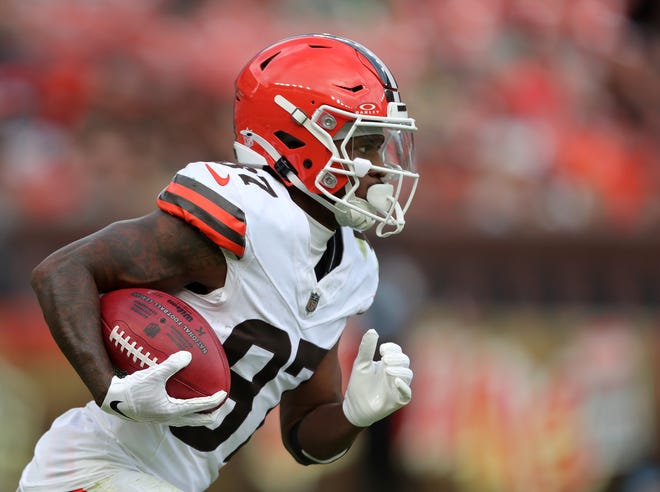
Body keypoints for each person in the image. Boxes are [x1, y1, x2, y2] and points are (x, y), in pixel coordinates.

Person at [18, 33, 419, 492]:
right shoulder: (248, 211)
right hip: (91, 468)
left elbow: (304, 438)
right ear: (299, 138)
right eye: (364, 144)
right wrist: (113, 391)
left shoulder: (351, 269)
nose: (382, 167)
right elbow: (63, 272)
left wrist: (353, 415)